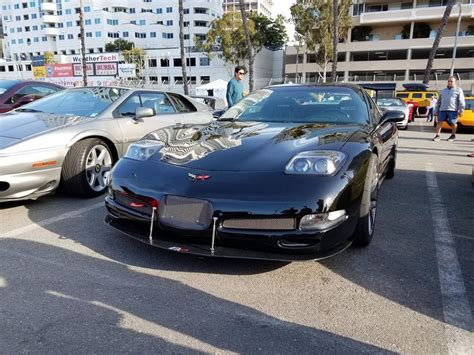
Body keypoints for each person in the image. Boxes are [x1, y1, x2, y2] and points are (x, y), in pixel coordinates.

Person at [432, 76, 465, 142]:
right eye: (448, 81)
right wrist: (436, 110)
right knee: (439, 122)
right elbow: (438, 102)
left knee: (453, 123)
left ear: (455, 82)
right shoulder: (443, 91)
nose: (449, 82)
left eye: (451, 81)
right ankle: (437, 136)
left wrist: (461, 110)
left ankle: (453, 135)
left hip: (453, 110)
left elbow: (461, 101)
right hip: (442, 110)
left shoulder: (459, 90)